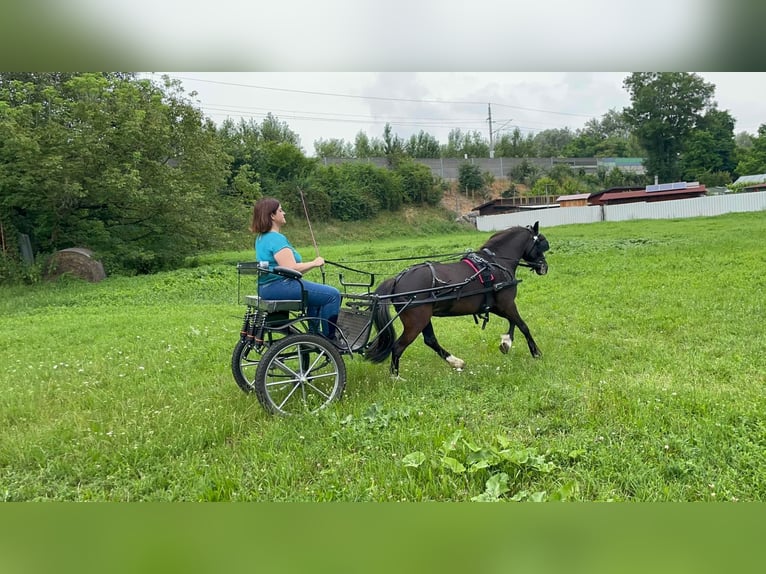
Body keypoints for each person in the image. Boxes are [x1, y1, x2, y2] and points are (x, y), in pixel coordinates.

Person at [250, 197, 341, 340]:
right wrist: (314, 263)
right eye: (280, 210)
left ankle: (314, 336)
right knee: (332, 295)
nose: (284, 213)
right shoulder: (276, 238)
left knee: (317, 294)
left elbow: (288, 270)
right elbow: (291, 268)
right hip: (280, 286)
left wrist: (309, 265)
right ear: (272, 215)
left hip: (266, 288)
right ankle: (329, 340)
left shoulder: (261, 238)